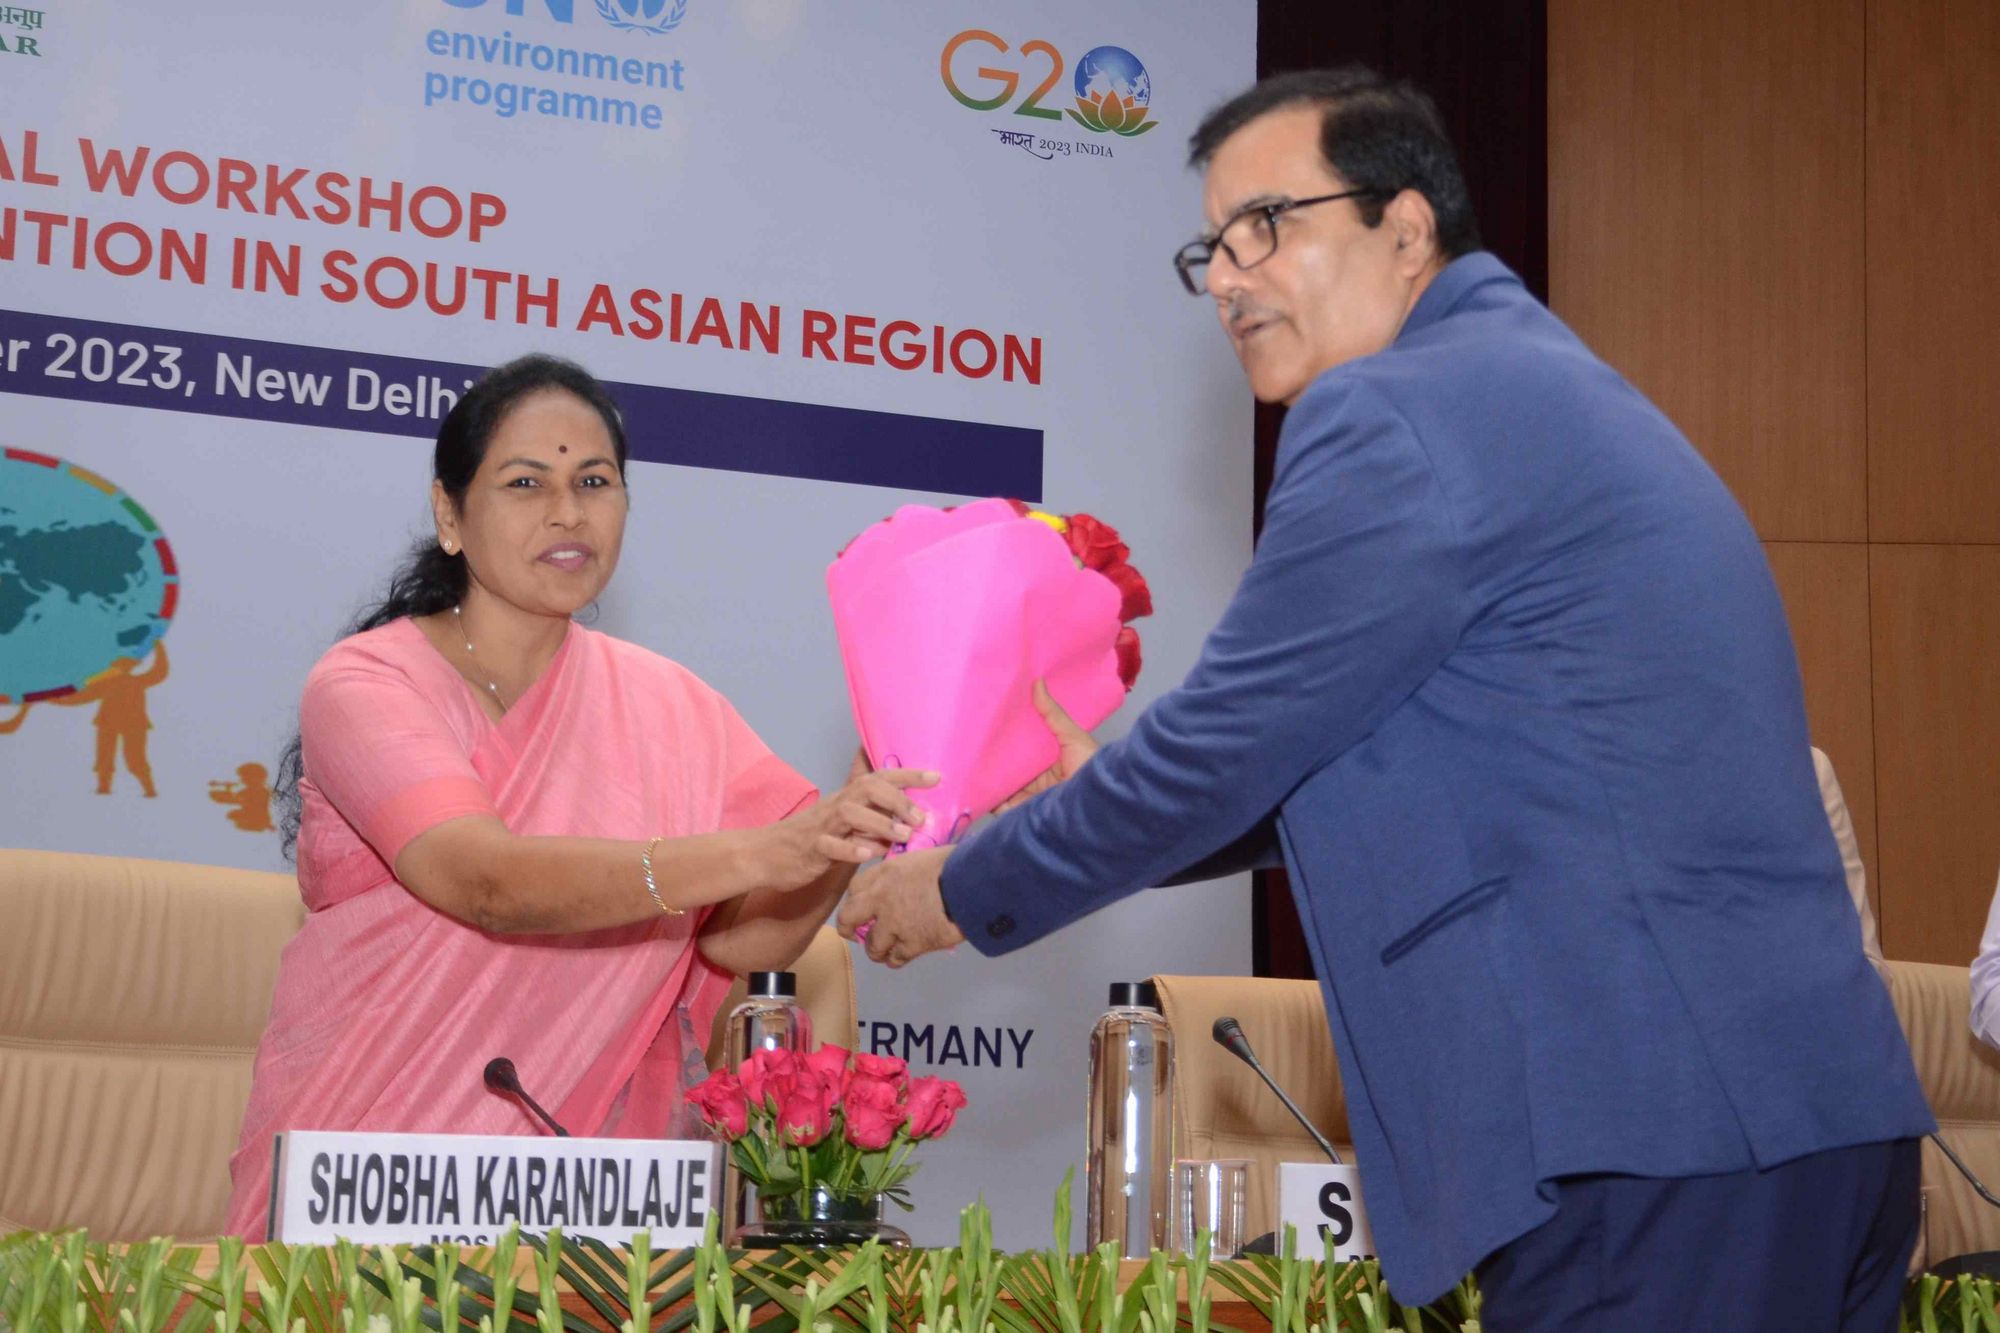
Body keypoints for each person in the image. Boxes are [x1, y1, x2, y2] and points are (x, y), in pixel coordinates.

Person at [839, 68, 1933, 1328]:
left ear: (1404, 228)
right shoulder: (1536, 385)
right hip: (1804, 1124)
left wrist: (960, 889)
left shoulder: (1391, 410)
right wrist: (1099, 793)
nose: (1227, 278)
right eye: (1209, 247)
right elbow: (1381, 738)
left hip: (1644, 1137)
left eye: (1268, 226)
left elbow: (1223, 746)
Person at [227, 354, 933, 1237]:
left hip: (587, 1189)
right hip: (368, 1178)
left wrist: (839, 839)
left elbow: (741, 940)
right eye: (526, 482)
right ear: (450, 513)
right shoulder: (366, 682)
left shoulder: (674, 705)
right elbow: (483, 880)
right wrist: (769, 846)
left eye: (594, 480)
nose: (568, 511)